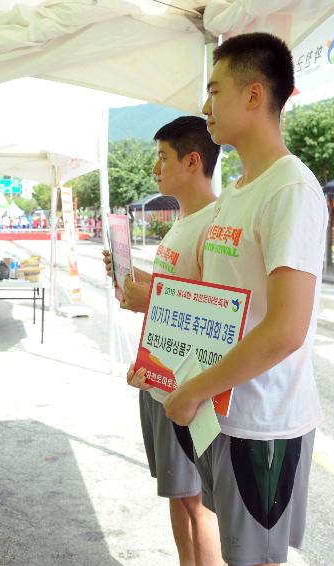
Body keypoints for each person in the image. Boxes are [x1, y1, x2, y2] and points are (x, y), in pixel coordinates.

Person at [161, 32, 327, 566]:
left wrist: (194, 391)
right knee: (235, 553)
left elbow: (285, 329)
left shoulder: (289, 190)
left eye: (214, 91)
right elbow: (215, 306)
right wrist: (165, 366)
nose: (205, 107)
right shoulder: (238, 191)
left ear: (253, 96)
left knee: (254, 559)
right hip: (223, 412)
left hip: (263, 423)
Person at [105, 117, 221, 566]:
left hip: (188, 387)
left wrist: (149, 297)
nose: (156, 168)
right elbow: (176, 290)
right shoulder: (182, 223)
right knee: (178, 495)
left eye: (162, 157)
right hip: (160, 377)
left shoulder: (215, 226)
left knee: (199, 503)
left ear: (192, 161)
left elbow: (213, 313)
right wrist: (135, 281)